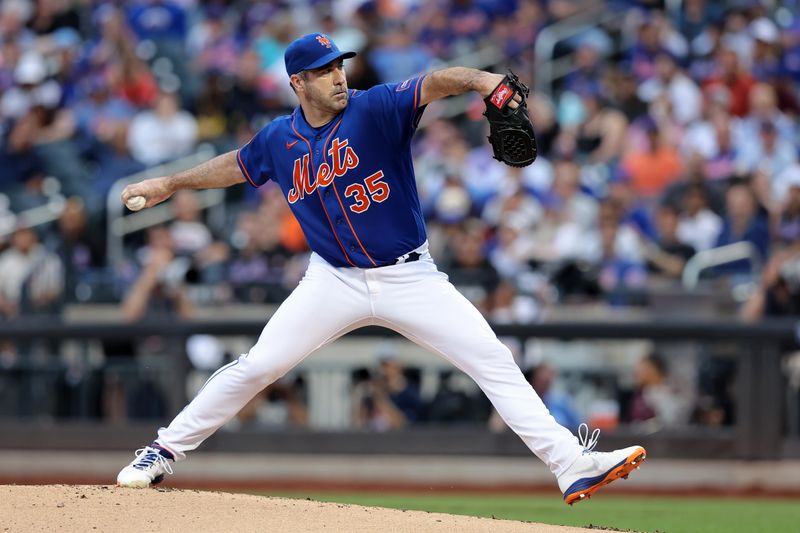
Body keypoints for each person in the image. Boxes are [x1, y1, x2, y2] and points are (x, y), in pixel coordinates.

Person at [115, 32, 646, 504]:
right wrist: (169, 184)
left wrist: (483, 80)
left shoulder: (376, 108)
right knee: (258, 366)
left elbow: (437, 82)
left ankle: (570, 464)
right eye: (324, 71)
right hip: (332, 279)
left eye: (339, 65)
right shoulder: (279, 139)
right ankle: (161, 450)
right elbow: (235, 165)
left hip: (409, 276)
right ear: (298, 82)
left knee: (493, 360)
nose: (337, 76)